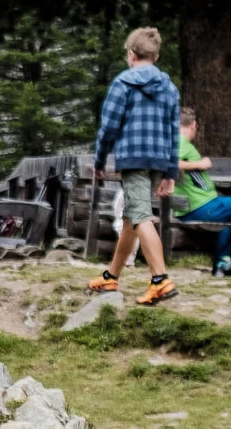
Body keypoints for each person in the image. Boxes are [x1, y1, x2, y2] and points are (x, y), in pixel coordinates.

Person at [88, 26, 181, 305]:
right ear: (156, 55)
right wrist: (170, 171)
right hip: (158, 159)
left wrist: (100, 159)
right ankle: (111, 276)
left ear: (131, 54)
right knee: (130, 218)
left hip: (133, 158)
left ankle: (160, 280)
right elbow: (174, 132)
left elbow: (108, 127)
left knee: (140, 215)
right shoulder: (170, 87)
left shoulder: (123, 83)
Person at [177, 107, 231, 264]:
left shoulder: (177, 142)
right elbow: (171, 163)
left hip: (193, 205)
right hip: (199, 206)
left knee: (226, 220)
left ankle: (222, 259)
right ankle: (230, 254)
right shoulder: (180, 141)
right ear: (193, 125)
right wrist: (200, 163)